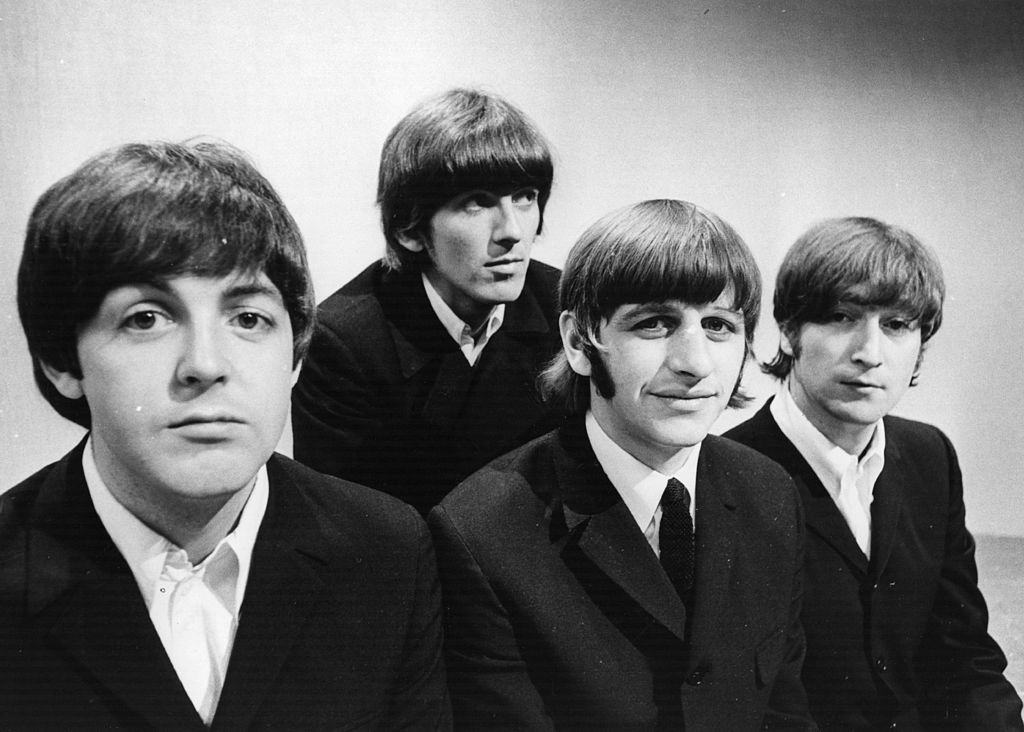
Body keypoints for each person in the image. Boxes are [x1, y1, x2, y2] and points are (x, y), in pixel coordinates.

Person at [2, 140, 450, 729]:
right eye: (146, 319)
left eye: (248, 318)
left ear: (294, 356)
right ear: (64, 361)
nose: (205, 364)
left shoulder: (389, 549)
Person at [429, 199, 814, 729]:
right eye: (655, 324)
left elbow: (785, 714)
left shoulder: (769, 491)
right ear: (578, 342)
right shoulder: (482, 530)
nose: (695, 363)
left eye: (719, 326)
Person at [726, 217, 1023, 729]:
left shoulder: (929, 455)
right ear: (791, 332)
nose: (869, 352)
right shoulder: (727, 477)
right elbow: (758, 705)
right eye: (842, 317)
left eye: (897, 325)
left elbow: (964, 658)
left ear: (920, 346)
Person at [291, 87, 562, 515]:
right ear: (410, 230)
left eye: (524, 197)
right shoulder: (343, 341)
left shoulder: (565, 307)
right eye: (477, 202)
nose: (512, 230)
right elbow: (345, 528)